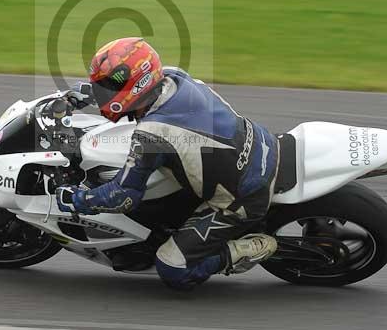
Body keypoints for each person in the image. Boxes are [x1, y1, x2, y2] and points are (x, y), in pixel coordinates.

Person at [56, 37, 280, 290]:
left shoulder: (154, 132)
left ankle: (246, 248)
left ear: (138, 83)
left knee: (173, 269)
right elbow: (129, 94)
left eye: (107, 86)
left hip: (243, 195)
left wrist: (78, 200)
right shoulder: (173, 77)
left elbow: (123, 196)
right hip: (259, 143)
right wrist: (83, 94)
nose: (103, 91)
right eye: (101, 85)